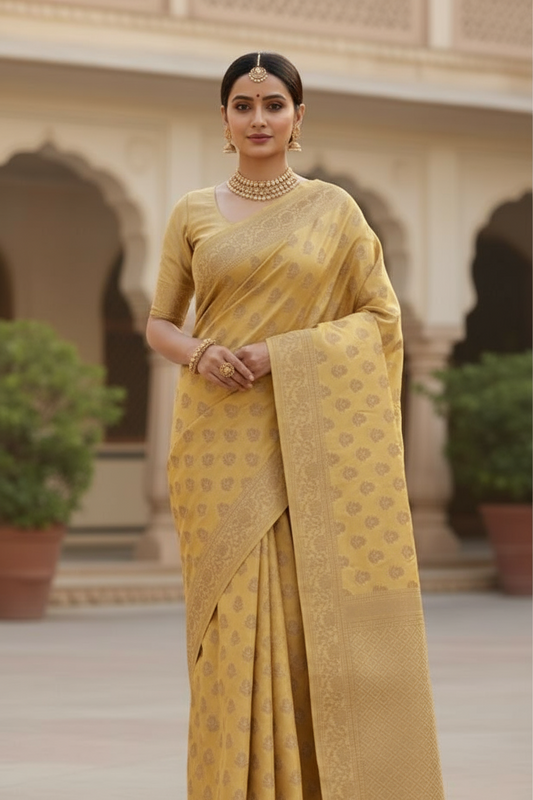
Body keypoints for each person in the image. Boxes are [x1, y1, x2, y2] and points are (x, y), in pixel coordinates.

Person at [147, 52, 445, 800]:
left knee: (307, 616)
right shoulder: (191, 212)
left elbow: (379, 320)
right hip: (215, 438)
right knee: (229, 628)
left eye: (273, 105)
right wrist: (201, 353)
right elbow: (158, 324)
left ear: (297, 118)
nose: (258, 119)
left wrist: (278, 355)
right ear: (223, 119)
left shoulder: (335, 211)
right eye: (242, 106)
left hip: (306, 435)